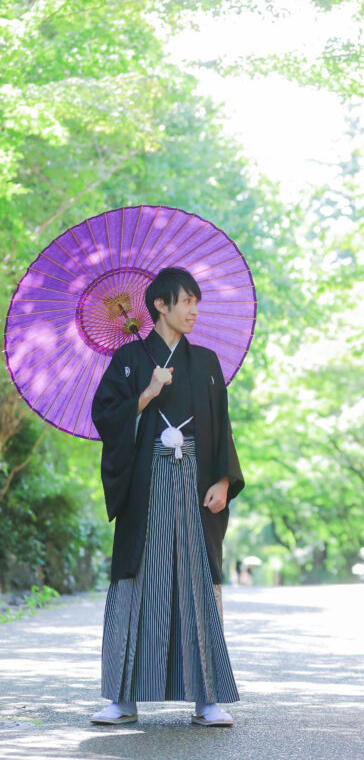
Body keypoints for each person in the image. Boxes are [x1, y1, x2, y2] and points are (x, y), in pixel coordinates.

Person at [89, 266, 244, 726]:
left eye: (197, 302)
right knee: (138, 585)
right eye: (187, 301)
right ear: (160, 305)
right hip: (146, 484)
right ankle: (123, 698)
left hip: (196, 483)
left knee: (196, 583)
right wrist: (147, 392)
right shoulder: (129, 361)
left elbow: (222, 429)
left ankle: (206, 699)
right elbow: (105, 415)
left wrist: (222, 480)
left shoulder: (208, 363)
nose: (194, 310)